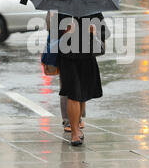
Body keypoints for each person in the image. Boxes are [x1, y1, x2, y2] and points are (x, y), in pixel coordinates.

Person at [56, 12, 110, 146]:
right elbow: (53, 34)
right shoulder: (63, 12)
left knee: (82, 94)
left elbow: (105, 34)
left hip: (87, 57)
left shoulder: (94, 12)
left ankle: (78, 124)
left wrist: (93, 31)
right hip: (68, 58)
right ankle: (74, 133)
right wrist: (65, 33)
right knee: (73, 94)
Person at [45, 11, 86, 133]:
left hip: (84, 52)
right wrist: (63, 31)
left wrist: (89, 31)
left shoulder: (86, 6)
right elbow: (50, 28)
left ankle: (78, 118)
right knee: (67, 86)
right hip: (64, 53)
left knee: (82, 85)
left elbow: (102, 31)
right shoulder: (57, 5)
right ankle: (68, 120)